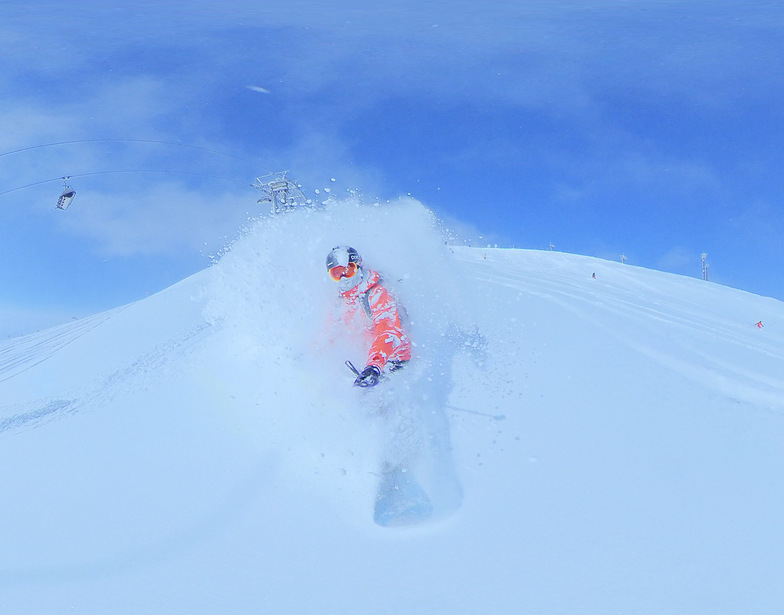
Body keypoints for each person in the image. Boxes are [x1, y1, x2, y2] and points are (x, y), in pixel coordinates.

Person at [325, 245, 412, 388]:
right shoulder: (339, 302)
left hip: (394, 362)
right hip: (369, 365)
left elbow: (388, 332)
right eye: (337, 273)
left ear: (358, 267)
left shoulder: (376, 294)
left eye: (349, 270)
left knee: (378, 403)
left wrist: (375, 365)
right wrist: (310, 354)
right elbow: (328, 333)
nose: (343, 278)